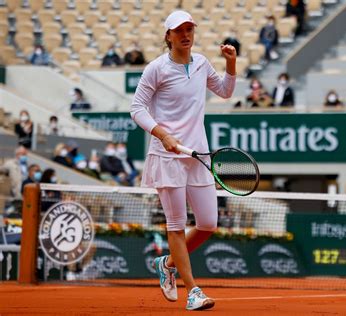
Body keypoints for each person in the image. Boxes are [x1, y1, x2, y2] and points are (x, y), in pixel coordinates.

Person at [130, 10, 236, 311]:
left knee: (207, 224)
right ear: (168, 36)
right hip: (167, 157)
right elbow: (137, 109)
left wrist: (231, 62)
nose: (186, 34)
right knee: (175, 226)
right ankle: (193, 291)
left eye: (190, 29)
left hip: (197, 155)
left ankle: (167, 263)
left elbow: (226, 92)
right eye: (179, 30)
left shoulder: (202, 63)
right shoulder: (156, 69)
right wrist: (162, 134)